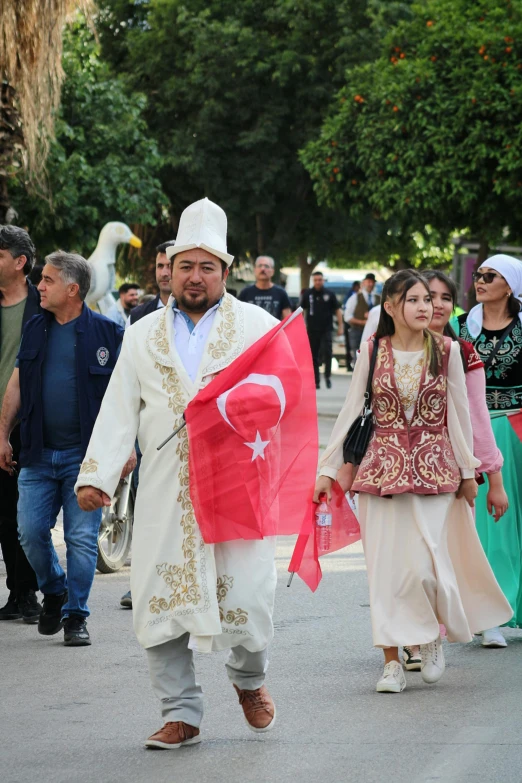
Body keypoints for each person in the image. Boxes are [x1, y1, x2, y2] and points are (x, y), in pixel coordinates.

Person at [76, 198, 279, 749]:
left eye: (206, 267)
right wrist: (98, 474)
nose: (194, 277)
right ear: (168, 269)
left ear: (225, 270)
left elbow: (283, 398)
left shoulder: (259, 327)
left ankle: (250, 682)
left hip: (236, 488)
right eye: (185, 265)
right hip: (165, 491)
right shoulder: (141, 335)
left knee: (249, 596)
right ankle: (180, 712)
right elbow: (120, 407)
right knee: (158, 600)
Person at [315, 269, 512, 694]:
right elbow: (351, 412)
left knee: (427, 569)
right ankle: (390, 663)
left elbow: (460, 415)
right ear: (390, 307)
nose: (427, 307)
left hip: (436, 472)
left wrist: (468, 472)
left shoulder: (447, 351)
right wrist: (327, 470)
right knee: (386, 573)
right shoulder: (373, 349)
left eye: (430, 299)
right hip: (379, 473)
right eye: (415, 300)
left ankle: (429, 638)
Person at [0, 251, 132, 647]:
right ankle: (54, 589)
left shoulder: (109, 334)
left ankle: (76, 615)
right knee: (29, 532)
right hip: (38, 454)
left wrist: (128, 448)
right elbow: (17, 385)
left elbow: (130, 396)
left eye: (48, 280)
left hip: (86, 459)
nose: (39, 286)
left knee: (80, 539)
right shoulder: (35, 328)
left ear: (72, 289)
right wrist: (3, 434)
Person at [400, 270, 509, 669]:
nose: (436, 305)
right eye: (427, 297)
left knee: (436, 558)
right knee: (407, 558)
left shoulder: (462, 352)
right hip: (395, 473)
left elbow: (478, 420)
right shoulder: (385, 349)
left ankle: (431, 633)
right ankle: (412, 638)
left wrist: (492, 480)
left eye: (444, 297)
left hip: (449, 474)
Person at [452, 254, 522, 644]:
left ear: (509, 285)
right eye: (478, 275)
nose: (479, 281)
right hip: (478, 434)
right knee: (489, 524)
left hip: (520, 428)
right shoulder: (460, 326)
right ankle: (490, 614)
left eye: (489, 276)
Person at [0, 226, 41, 623]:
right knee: (3, 515)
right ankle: (18, 592)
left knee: (24, 513)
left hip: (28, 425)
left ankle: (30, 592)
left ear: (19, 262)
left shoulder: (43, 304)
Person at [300, 270, 343, 389]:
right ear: (313, 281)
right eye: (315, 280)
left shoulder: (329, 294)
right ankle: (316, 380)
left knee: (327, 353)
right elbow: (301, 310)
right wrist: (301, 326)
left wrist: (341, 326)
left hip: (326, 329)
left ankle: (328, 377)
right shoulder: (308, 294)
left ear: (323, 280)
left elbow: (337, 310)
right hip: (312, 330)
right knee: (313, 356)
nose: (318, 282)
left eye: (320, 280)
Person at [129, 241, 175, 325]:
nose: (164, 273)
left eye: (170, 266)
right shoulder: (136, 316)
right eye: (160, 266)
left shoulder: (198, 314)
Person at [238, 256, 292, 320]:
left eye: (266, 266)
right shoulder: (245, 293)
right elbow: (238, 316)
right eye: (260, 266)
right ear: (255, 270)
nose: (263, 269)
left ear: (272, 271)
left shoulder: (281, 293)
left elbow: (288, 320)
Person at [344, 273, 381, 358]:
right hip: (357, 331)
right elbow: (347, 316)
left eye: (372, 282)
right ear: (363, 283)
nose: (370, 284)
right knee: (358, 357)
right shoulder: (355, 297)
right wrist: (362, 322)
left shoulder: (378, 298)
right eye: (368, 282)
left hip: (375, 332)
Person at [342, 281, 360, 371]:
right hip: (350, 324)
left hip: (353, 323)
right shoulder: (352, 296)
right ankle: (349, 363)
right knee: (350, 346)